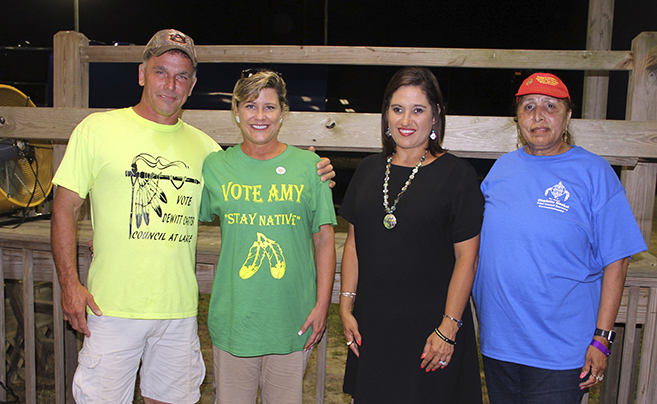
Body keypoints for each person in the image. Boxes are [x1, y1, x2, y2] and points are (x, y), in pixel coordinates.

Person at [50, 30, 334, 404]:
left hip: (179, 312)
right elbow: (64, 207)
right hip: (111, 309)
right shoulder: (97, 129)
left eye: (181, 76)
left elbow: (241, 187)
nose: (171, 85)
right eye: (161, 71)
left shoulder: (207, 152)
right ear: (142, 73)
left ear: (192, 85)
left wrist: (311, 169)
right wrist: (70, 283)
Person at [473, 72, 647, 404]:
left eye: (550, 106)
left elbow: (618, 259)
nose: (538, 115)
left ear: (567, 117)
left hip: (561, 351)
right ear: (518, 119)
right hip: (500, 343)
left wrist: (602, 338)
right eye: (528, 106)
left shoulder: (594, 173)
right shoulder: (501, 170)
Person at [338, 67, 484, 403]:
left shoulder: (458, 175)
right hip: (374, 329)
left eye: (418, 110)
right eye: (397, 109)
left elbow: (467, 258)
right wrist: (346, 306)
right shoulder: (367, 170)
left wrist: (449, 328)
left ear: (435, 116)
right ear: (386, 114)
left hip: (431, 334)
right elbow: (354, 245)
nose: (406, 120)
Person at [198, 69, 337, 404]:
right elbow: (183, 219)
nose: (259, 116)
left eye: (269, 107)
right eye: (250, 105)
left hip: (292, 321)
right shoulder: (215, 166)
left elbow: (324, 239)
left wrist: (322, 306)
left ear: (283, 112)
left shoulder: (310, 167)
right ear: (236, 110)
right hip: (234, 322)